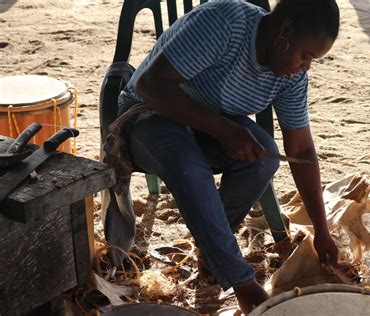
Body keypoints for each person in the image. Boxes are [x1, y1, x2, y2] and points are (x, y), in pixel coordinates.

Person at [112, 0, 340, 312]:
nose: (305, 67)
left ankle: (212, 252)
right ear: (285, 29)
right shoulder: (226, 24)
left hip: (207, 122)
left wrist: (322, 232)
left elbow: (300, 150)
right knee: (188, 163)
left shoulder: (291, 75)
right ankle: (242, 283)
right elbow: (151, 84)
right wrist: (222, 130)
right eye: (305, 56)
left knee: (264, 158)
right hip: (149, 112)